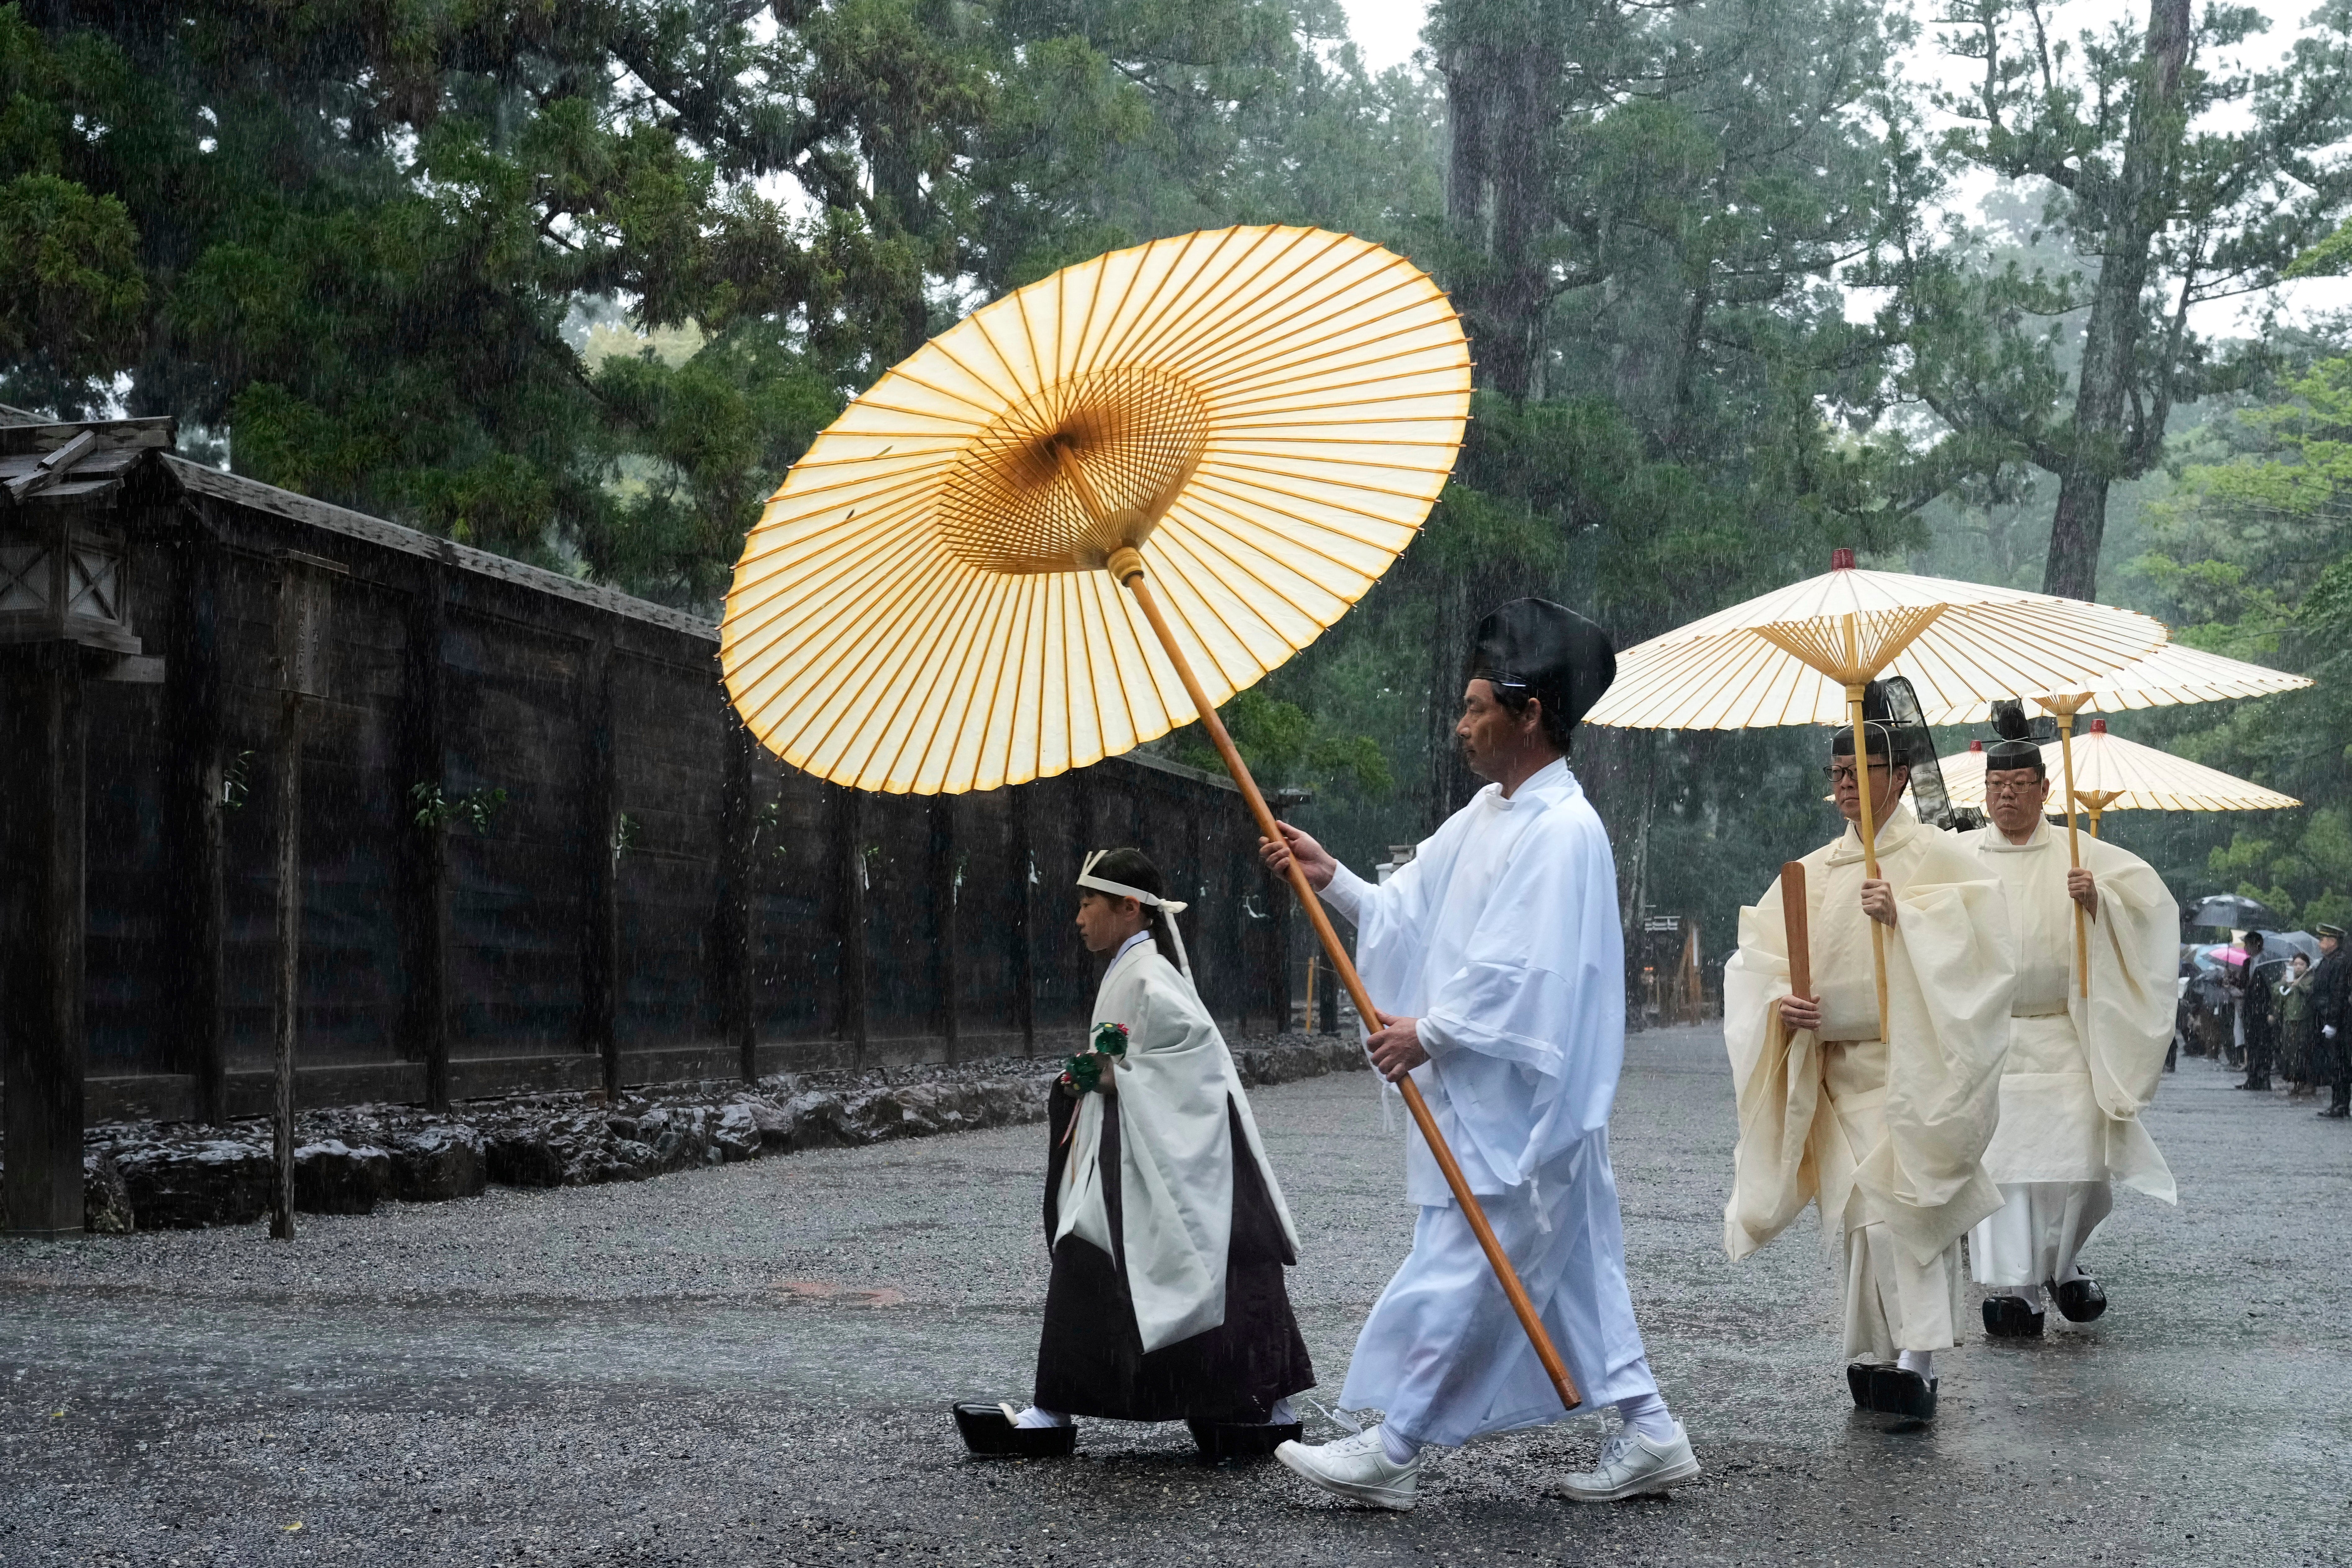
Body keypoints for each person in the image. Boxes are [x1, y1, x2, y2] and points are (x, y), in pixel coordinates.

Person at [1258, 599, 1696, 1510]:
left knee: (1462, 1272)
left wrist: (1429, 1032)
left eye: (1474, 709)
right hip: (1486, 1092)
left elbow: (1524, 972)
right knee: (1576, 1270)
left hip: (1518, 1105)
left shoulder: (1562, 829)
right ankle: (1651, 1429)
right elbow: (1408, 909)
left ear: (1528, 714)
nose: (1460, 727)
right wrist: (1330, 877)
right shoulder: (1487, 816)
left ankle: (1396, 1448)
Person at [957, 847, 1314, 1457]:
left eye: (1088, 903)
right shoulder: (1132, 972)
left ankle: (1064, 1411)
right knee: (1157, 1268)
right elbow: (1119, 1053)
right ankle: (1251, 1403)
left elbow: (1187, 1064)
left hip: (1156, 1155)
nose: (1079, 918)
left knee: (1105, 1259)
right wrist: (1084, 1075)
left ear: (1129, 907)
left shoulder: (1148, 976)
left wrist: (1099, 1075)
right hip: (1134, 1147)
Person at [1721, 698, 2013, 1421]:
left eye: (1859, 768)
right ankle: (1878, 1351)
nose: (1846, 783)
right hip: (1841, 1071)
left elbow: (1986, 950)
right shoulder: (1813, 870)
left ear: (1899, 774)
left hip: (1914, 1065)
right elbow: (1761, 960)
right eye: (1837, 772)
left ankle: (1918, 1359)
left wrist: (1908, 918)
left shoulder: (1942, 855)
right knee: (1859, 1218)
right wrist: (1782, 1005)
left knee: (1905, 1211)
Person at [1960, 736, 2178, 1338]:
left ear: (2043, 789)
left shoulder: (2079, 852)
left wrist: (2098, 902)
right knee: (2005, 1169)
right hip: (1991, 1036)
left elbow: (2150, 913)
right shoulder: (1957, 857)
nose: (2005, 796)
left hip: (2063, 1032)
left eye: (2018, 784)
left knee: (2080, 1161)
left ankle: (2063, 1264)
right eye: (1995, 785)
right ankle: (2018, 1287)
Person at [2228, 932, 2279, 1091]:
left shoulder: (2268, 962)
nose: (2246, 948)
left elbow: (2272, 987)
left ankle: (2264, 1078)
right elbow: (2245, 984)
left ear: (2258, 944)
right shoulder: (2247, 963)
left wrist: (2271, 1010)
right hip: (2250, 1009)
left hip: (2263, 1009)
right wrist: (2233, 981)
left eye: (2248, 945)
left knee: (2264, 1045)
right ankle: (2252, 1078)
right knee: (2251, 1044)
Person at [2313, 924, 2350, 1120]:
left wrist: (2333, 1022)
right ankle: (2337, 1103)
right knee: (2334, 1064)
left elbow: (2339, 994)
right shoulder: (2327, 961)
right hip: (2325, 1016)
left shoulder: (2340, 962)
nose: (2320, 944)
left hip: (2338, 1020)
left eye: (2323, 940)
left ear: (2333, 942)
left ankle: (2341, 1104)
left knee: (2340, 1064)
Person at [2279, 953, 2318, 1099]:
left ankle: (2307, 1082)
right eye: (2295, 964)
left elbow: (2312, 993)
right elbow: (2280, 993)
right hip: (2289, 1019)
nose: (2298, 967)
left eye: (2301, 964)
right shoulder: (2290, 978)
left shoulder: (2310, 978)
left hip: (2304, 1020)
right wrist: (2284, 982)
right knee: (2291, 1052)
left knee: (2303, 1052)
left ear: (2307, 966)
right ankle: (2295, 1081)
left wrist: (2299, 986)